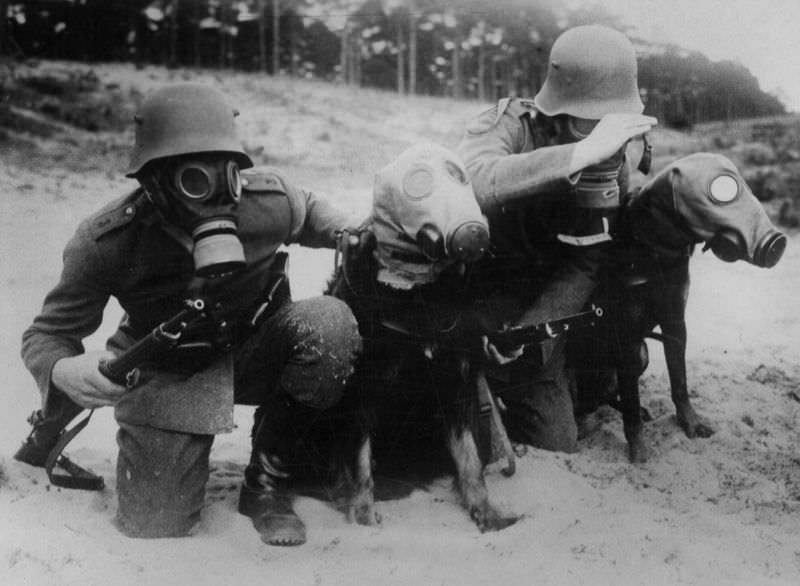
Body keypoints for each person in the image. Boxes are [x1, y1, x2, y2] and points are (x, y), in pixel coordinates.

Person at [15, 83, 363, 547]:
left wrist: (345, 231)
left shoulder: (267, 201)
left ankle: (266, 480)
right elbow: (47, 334)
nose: (218, 193)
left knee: (329, 326)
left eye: (228, 174)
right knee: (157, 523)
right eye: (194, 179)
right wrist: (63, 368)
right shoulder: (107, 243)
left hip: (258, 350)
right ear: (153, 182)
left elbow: (310, 209)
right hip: (169, 369)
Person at [457, 24, 658, 452]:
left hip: (553, 303)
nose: (606, 134)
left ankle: (572, 375)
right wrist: (579, 154)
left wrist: (533, 337)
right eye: (594, 122)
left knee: (563, 433)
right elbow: (470, 179)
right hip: (488, 289)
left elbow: (589, 259)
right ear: (560, 107)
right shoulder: (509, 124)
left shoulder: (614, 153)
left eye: (614, 120)